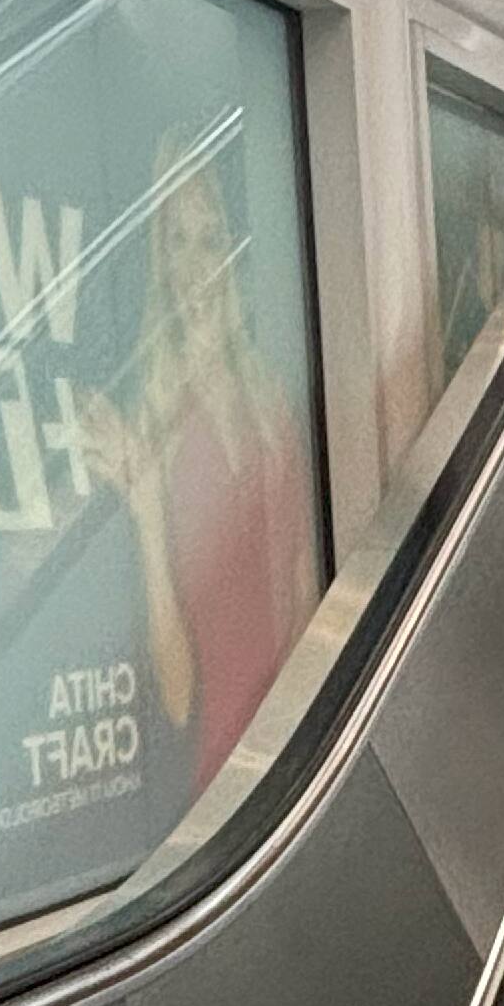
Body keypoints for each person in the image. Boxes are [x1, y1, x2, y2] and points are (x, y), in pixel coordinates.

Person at [75, 135, 316, 794]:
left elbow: (303, 589)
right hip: (215, 777)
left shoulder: (271, 404)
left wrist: (305, 742)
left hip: (297, 758)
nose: (195, 264)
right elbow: (178, 699)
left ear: (232, 251)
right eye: (176, 241)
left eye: (209, 238)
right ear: (158, 260)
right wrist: (149, 519)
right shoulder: (151, 415)